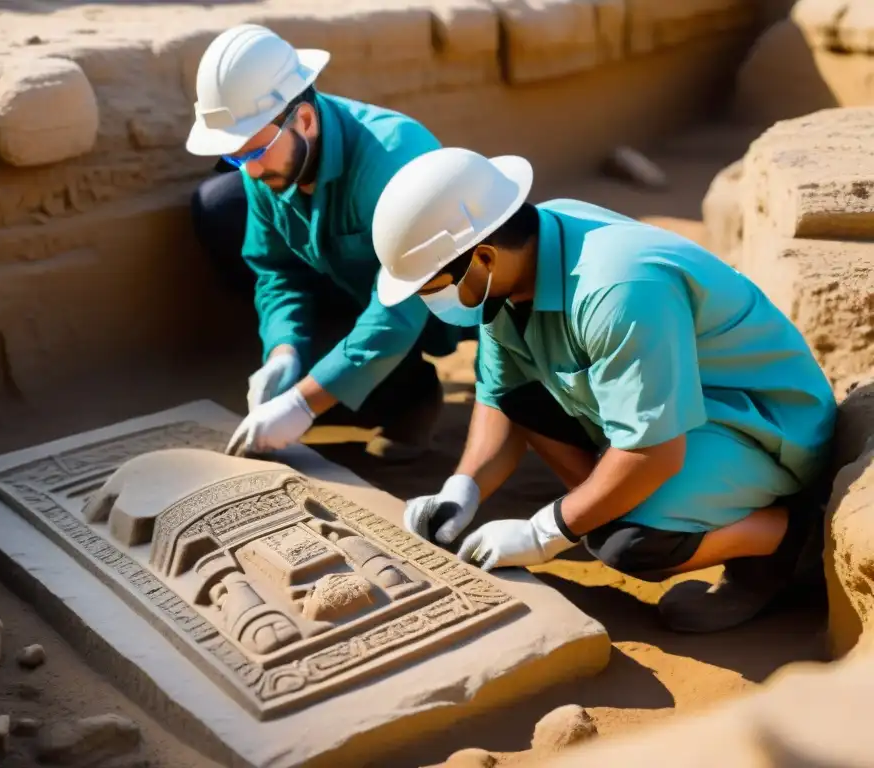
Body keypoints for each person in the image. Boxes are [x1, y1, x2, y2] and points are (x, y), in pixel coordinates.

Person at [370, 146, 838, 633]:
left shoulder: (618, 286)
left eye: (433, 285)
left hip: (761, 423)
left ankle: (791, 541)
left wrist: (545, 531)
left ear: (483, 257)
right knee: (564, 453)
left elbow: (653, 452)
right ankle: (626, 500)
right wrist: (461, 489)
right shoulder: (517, 262)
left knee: (628, 541)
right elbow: (503, 394)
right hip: (674, 409)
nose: (431, 301)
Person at [184, 23, 463, 461]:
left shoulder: (396, 160)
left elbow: (401, 305)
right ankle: (335, 375)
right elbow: (275, 268)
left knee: (325, 396)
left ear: (306, 120)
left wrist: (303, 402)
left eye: (253, 153)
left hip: (430, 298)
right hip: (347, 278)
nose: (249, 172)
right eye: (235, 156)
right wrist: (284, 350)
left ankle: (409, 394)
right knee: (219, 203)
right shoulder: (267, 155)